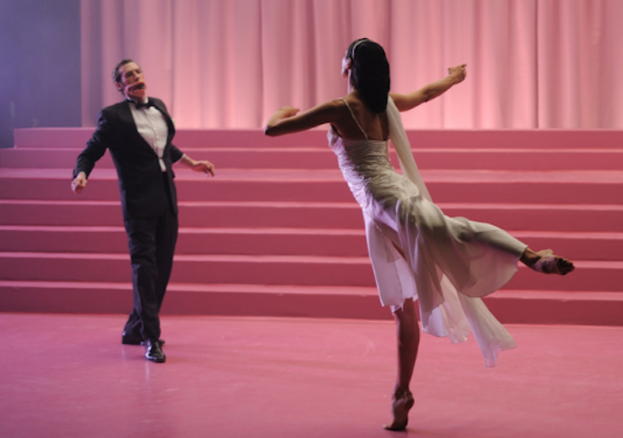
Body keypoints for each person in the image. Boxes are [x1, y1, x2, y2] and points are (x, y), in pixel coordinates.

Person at [264, 38, 574, 430]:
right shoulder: (384, 102)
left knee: (444, 243)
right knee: (408, 293)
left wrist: (282, 110)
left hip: (385, 205)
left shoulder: (341, 108)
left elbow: (271, 130)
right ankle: (401, 392)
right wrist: (451, 79)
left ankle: (530, 257)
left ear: (349, 68)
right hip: (385, 205)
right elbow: (425, 94)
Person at [72, 59, 215, 363]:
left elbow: (164, 147)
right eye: (128, 76)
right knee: (144, 268)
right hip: (138, 202)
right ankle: (152, 337)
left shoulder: (159, 106)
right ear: (120, 85)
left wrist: (192, 163)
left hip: (166, 196)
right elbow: (92, 149)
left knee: (161, 267)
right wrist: (82, 173)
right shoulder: (113, 117)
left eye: (138, 72)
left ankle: (135, 328)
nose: (136, 78)